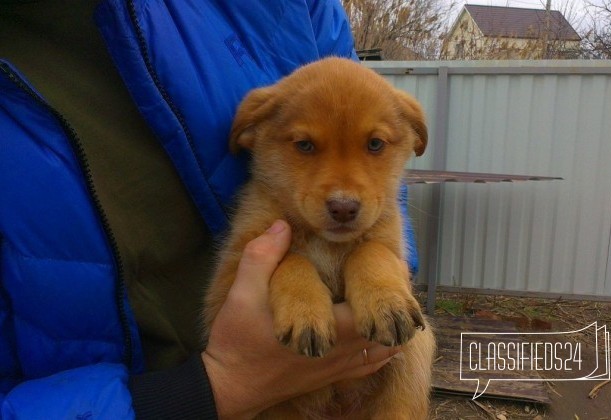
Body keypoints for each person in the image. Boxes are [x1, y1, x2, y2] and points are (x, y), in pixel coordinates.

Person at [0, 1, 416, 418]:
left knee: (419, 339)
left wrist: (380, 265)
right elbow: (236, 280)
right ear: (250, 133)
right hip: (176, 401)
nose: (344, 194)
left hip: (372, 394)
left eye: (375, 145)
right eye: (306, 146)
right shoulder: (269, 191)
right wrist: (217, 385)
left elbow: (361, 105)